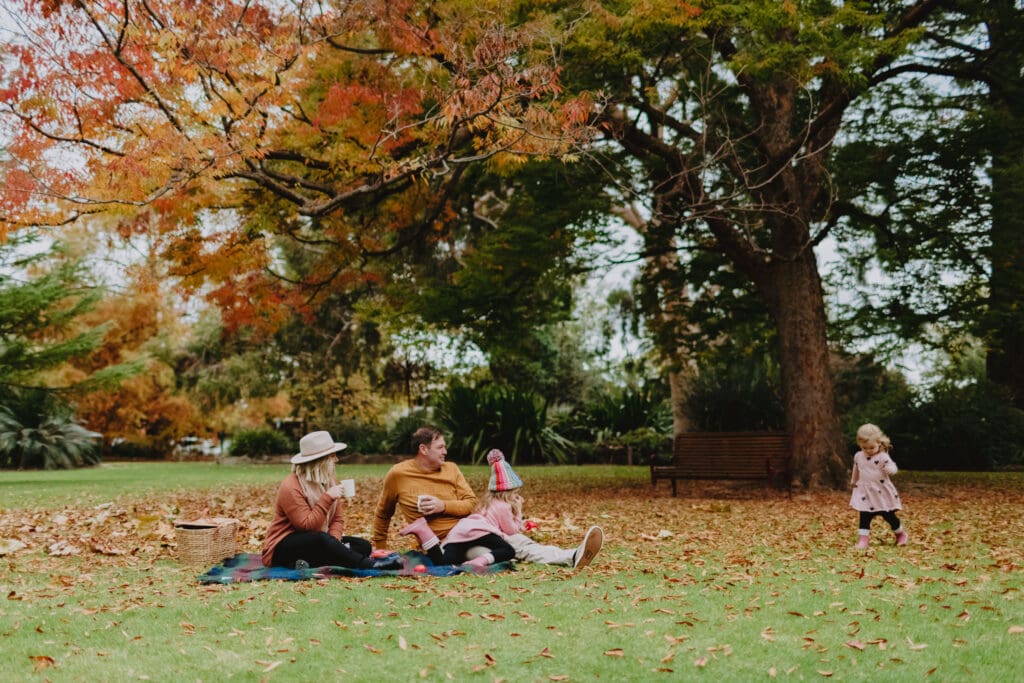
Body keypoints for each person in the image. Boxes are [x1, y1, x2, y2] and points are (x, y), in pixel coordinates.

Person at [403, 449, 603, 570]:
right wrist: (519, 512)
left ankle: (424, 530)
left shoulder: (490, 503)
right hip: (485, 534)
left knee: (443, 563)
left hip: (461, 534)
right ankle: (571, 555)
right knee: (521, 548)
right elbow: (511, 531)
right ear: (509, 492)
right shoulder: (503, 506)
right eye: (515, 493)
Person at [262, 430, 402, 570]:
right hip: (281, 547)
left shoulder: (329, 481)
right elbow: (307, 527)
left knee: (363, 546)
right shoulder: (291, 486)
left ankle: (303, 563)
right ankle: (369, 565)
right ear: (320, 460)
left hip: (317, 541)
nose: (336, 460)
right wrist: (327, 498)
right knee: (322, 539)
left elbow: (337, 519)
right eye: (332, 456)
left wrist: (334, 543)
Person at [372, 426, 478, 552]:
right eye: (440, 447)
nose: (445, 452)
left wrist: (443, 506)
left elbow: (472, 504)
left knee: (499, 546)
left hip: (469, 531)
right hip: (440, 544)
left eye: (444, 447)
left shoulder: (452, 469)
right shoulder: (398, 474)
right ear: (423, 449)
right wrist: (380, 549)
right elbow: (383, 514)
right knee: (481, 553)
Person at [850, 423, 907, 549]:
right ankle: (863, 540)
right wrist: (854, 480)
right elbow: (856, 468)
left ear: (879, 443)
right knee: (864, 515)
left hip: (881, 492)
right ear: (860, 444)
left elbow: (892, 466)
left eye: (872, 447)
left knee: (888, 515)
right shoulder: (858, 456)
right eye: (865, 448)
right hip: (865, 492)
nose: (868, 450)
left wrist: (891, 470)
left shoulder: (882, 456)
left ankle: (901, 534)